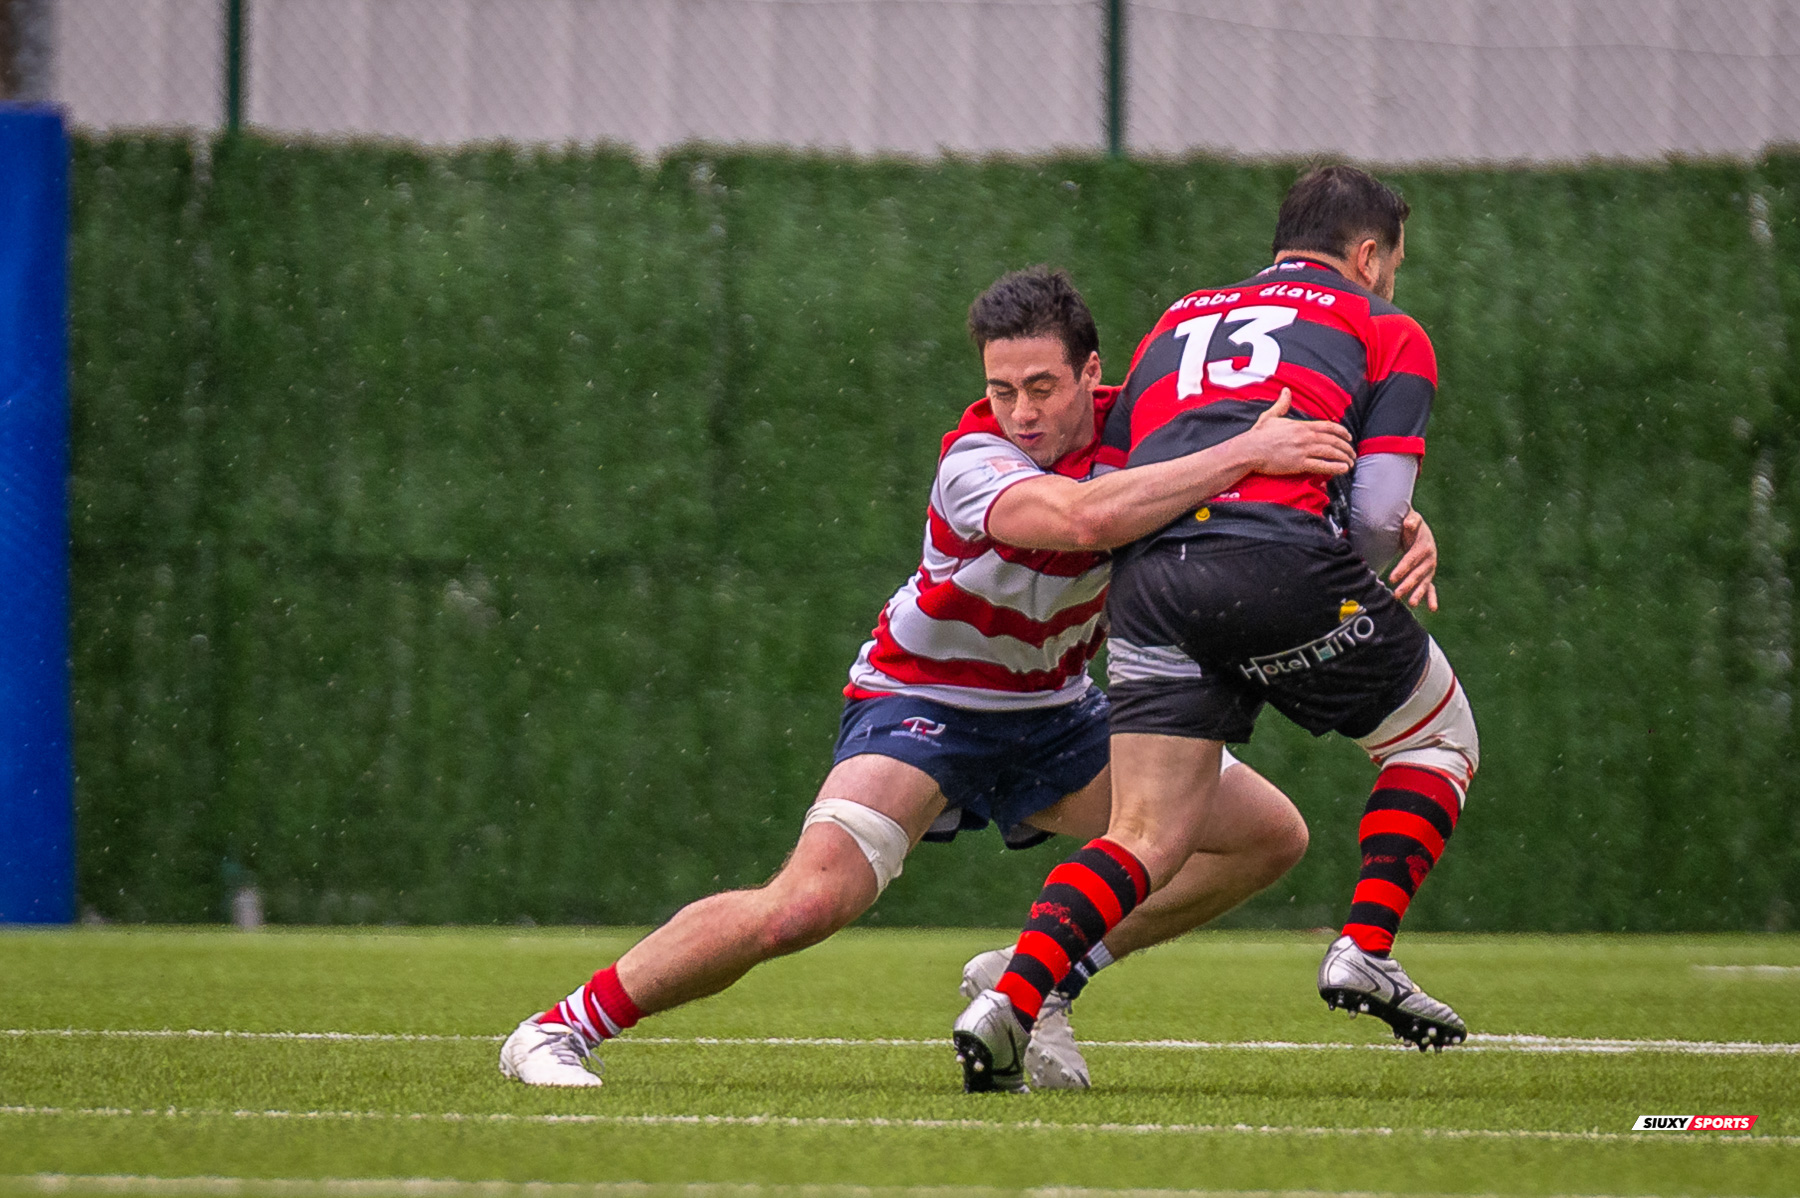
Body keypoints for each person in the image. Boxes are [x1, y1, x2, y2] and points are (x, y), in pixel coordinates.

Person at [497, 266, 1375, 1089]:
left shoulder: (1147, 430)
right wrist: (1242, 455)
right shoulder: (974, 459)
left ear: (1092, 373)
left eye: (1042, 387)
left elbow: (1278, 494)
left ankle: (1042, 974)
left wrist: (1395, 522)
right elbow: (1082, 519)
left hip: (1057, 713)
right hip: (923, 703)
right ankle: (559, 1027)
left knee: (1267, 838)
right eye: (1002, 390)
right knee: (806, 905)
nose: (1020, 412)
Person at [953, 166, 1477, 1093]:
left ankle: (1012, 1000)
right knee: (1436, 740)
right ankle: (1364, 944)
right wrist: (1380, 538)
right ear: (1368, 254)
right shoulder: (1384, 327)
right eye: (1392, 259)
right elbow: (1373, 512)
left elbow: (1115, 483)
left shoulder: (1176, 321)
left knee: (1148, 833)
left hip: (1151, 582)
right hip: (1277, 563)